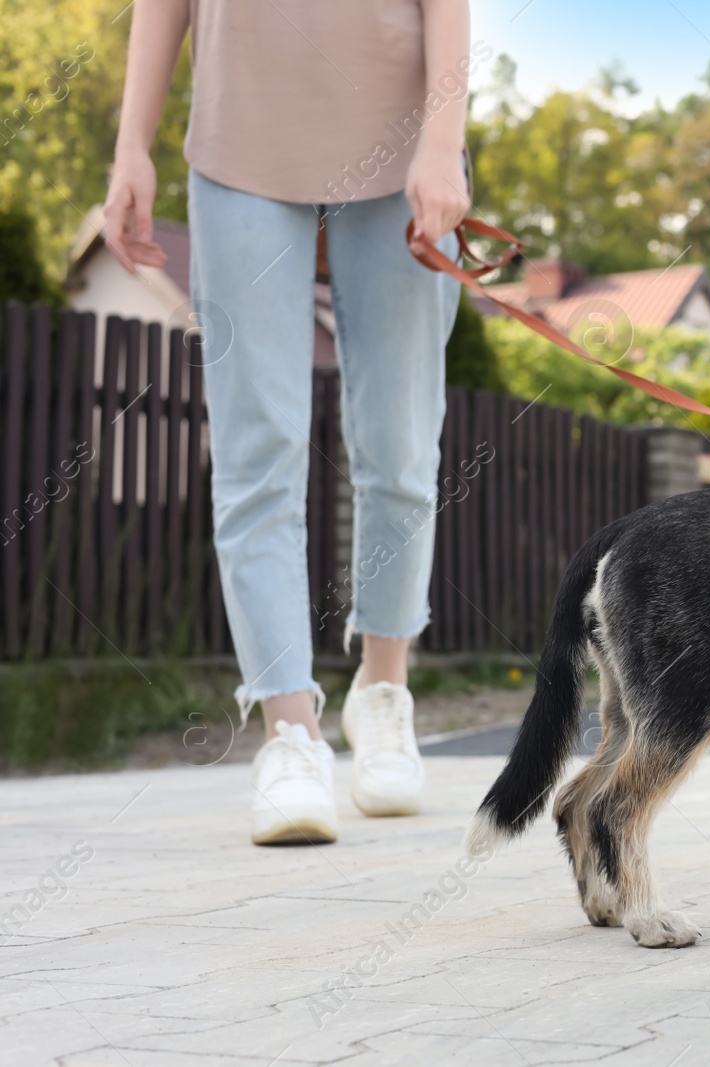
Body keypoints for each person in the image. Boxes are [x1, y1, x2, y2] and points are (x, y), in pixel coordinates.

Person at [104, 0, 472, 844]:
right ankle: (290, 731)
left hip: (405, 146)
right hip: (240, 145)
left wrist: (444, 142)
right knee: (257, 448)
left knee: (400, 446)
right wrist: (133, 145)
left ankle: (381, 695)